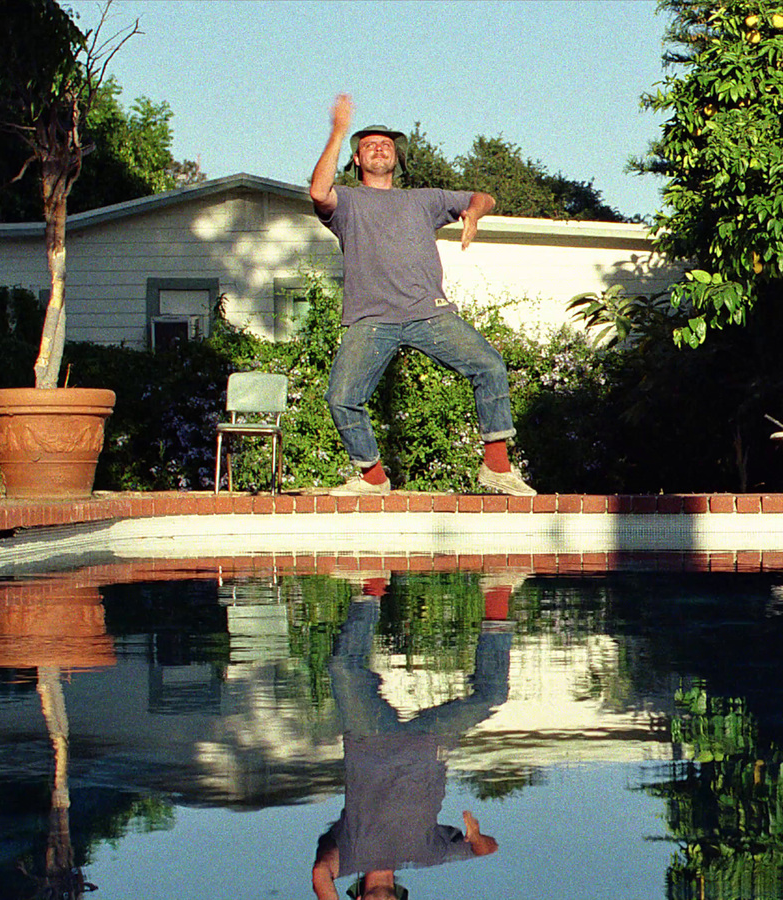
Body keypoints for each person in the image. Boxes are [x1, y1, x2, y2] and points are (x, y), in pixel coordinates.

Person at [309, 93, 536, 497]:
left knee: (489, 365)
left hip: (428, 313)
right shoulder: (347, 202)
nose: (379, 148)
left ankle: (497, 469)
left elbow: (483, 197)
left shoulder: (423, 199)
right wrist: (339, 130)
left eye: (386, 145)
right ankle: (373, 478)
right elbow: (318, 190)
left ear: (396, 158)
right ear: (357, 159)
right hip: (371, 319)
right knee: (342, 398)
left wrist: (475, 213)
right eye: (368, 146)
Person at [311, 573, 512, 900]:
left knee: (342, 669)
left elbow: (320, 874)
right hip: (428, 741)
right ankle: (497, 591)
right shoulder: (427, 854)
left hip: (371, 737)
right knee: (492, 696)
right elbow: (489, 850)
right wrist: (474, 838)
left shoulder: (347, 856)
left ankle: (371, 585)